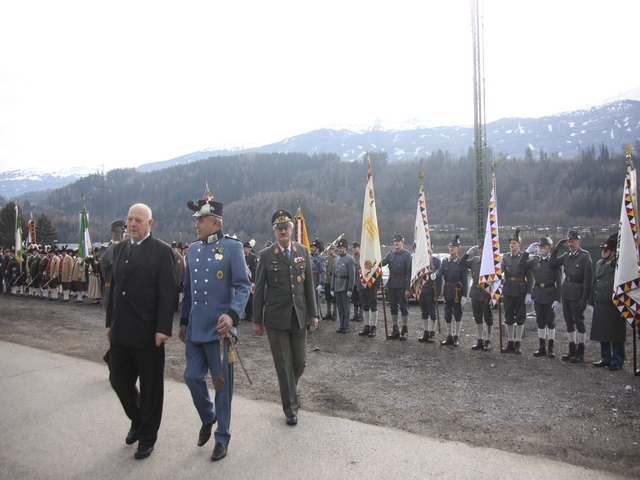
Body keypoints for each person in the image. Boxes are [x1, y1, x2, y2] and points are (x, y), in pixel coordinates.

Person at [180, 192, 251, 462]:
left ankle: (222, 436)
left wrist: (232, 316)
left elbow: (244, 286)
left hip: (220, 331)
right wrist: (184, 321)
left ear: (216, 223)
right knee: (191, 377)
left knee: (222, 386)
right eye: (196, 220)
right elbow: (188, 292)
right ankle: (209, 417)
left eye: (201, 220)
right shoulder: (194, 250)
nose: (196, 225)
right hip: (196, 328)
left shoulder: (232, 248)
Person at [105, 203, 175, 460]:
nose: (132, 224)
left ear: (150, 224)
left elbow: (168, 294)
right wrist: (109, 323)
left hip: (148, 333)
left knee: (150, 388)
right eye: (129, 220)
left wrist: (163, 328)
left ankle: (147, 436)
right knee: (118, 380)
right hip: (121, 329)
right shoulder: (120, 248)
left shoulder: (161, 251)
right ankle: (137, 419)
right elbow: (114, 290)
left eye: (138, 220)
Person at [253, 209, 319, 426]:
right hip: (275, 318)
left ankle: (291, 389)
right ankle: (291, 408)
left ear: (291, 229)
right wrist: (257, 320)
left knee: (299, 362)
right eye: (279, 228)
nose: (283, 231)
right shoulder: (265, 255)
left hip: (298, 316)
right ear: (275, 232)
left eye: (286, 227)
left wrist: (313, 314)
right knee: (283, 364)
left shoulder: (303, 252)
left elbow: (308, 284)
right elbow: (259, 289)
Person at [550, 230, 593, 363]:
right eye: (569, 242)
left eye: (573, 241)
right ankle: (572, 349)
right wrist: (556, 248)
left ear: (579, 242)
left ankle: (581, 351)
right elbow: (552, 263)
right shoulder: (566, 256)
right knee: (569, 323)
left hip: (577, 292)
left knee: (579, 323)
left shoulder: (584, 257)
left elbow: (588, 280)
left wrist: (585, 298)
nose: (571, 244)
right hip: (567, 292)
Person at [520, 236, 562, 358]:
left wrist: (557, 299)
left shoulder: (553, 262)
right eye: (539, 246)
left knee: (550, 321)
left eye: (543, 246)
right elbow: (521, 265)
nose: (541, 249)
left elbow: (559, 282)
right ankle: (542, 347)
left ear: (549, 248)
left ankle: (551, 347)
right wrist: (527, 252)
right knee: (540, 321)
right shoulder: (535, 261)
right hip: (538, 293)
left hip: (550, 293)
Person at [589, 235, 626, 371]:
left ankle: (617, 360)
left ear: (613, 252)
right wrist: (591, 301)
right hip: (600, 303)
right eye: (603, 250)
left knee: (615, 334)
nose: (603, 252)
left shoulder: (618, 266)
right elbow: (594, 282)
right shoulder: (599, 264)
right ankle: (605, 358)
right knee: (602, 333)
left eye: (607, 250)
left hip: (614, 304)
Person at [500, 229, 534, 354]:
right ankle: (510, 341)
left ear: (519, 245)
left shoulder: (524, 258)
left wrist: (529, 292)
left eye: (514, 243)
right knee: (508, 317)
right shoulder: (506, 257)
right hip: (508, 289)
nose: (512, 245)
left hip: (520, 290)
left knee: (520, 317)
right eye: (511, 243)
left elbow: (529, 276)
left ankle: (518, 341)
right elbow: (501, 271)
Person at [431, 235, 468, 346]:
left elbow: (465, 280)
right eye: (450, 247)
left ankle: (456, 336)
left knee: (457, 314)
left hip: (457, 291)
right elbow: (440, 270)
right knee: (447, 314)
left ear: (457, 249)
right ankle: (449, 336)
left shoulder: (461, 263)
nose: (451, 249)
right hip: (447, 290)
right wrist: (435, 275)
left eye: (453, 247)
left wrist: (465, 295)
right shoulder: (445, 261)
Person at [460, 243, 494, 351]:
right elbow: (461, 264)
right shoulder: (474, 261)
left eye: (483, 248)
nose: (481, 250)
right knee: (477, 317)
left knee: (488, 318)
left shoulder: (492, 262)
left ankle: (488, 340)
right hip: (475, 292)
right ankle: (480, 339)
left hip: (486, 293)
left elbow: (497, 279)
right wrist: (466, 254)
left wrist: (494, 295)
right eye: (480, 248)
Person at [381, 234, 413, 340]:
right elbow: (382, 263)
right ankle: (395, 329)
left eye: (398, 241)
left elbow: (409, 273)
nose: (396, 243)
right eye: (395, 241)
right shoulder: (390, 254)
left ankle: (405, 329)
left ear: (402, 243)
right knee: (393, 307)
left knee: (403, 307)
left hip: (402, 284)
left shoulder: (407, 255)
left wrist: (408, 288)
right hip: (391, 284)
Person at [98, 220, 126, 311]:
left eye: (123, 233)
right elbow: (105, 261)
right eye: (119, 233)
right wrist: (116, 243)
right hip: (111, 291)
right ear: (111, 234)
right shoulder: (104, 249)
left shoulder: (128, 249)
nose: (122, 236)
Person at [331, 237, 356, 333]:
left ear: (345, 248)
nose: (339, 250)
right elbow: (333, 274)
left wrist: (350, 288)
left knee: (346, 307)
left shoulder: (350, 259)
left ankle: (346, 326)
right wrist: (332, 287)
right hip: (337, 285)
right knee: (340, 307)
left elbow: (352, 275)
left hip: (345, 286)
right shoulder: (336, 260)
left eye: (341, 248)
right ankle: (341, 325)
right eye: (339, 248)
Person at [309, 238, 326, 319]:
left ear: (317, 249)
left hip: (315, 280)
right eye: (311, 247)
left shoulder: (321, 258)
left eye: (313, 247)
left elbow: (323, 272)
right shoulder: (309, 257)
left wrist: (321, 284)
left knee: (315, 301)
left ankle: (317, 318)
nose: (311, 249)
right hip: (308, 280)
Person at [322, 244, 338, 321]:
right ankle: (329, 313)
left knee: (334, 298)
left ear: (333, 249)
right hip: (327, 279)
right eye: (328, 250)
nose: (329, 251)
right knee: (327, 297)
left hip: (333, 279)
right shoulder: (326, 258)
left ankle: (335, 313)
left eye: (330, 249)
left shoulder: (336, 259)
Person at [243, 240, 257, 322]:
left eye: (247, 248)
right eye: (245, 248)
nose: (246, 250)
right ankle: (247, 314)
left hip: (251, 280)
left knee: (251, 299)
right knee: (245, 298)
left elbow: (254, 269)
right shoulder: (242, 257)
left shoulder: (253, 257)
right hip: (244, 280)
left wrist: (253, 281)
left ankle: (251, 314)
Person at [350, 241, 363, 323]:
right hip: (353, 281)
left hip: (360, 281)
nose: (354, 249)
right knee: (354, 299)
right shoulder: (351, 258)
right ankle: (355, 314)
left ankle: (361, 315)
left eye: (356, 248)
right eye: (353, 248)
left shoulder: (361, 258)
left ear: (359, 248)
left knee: (361, 299)